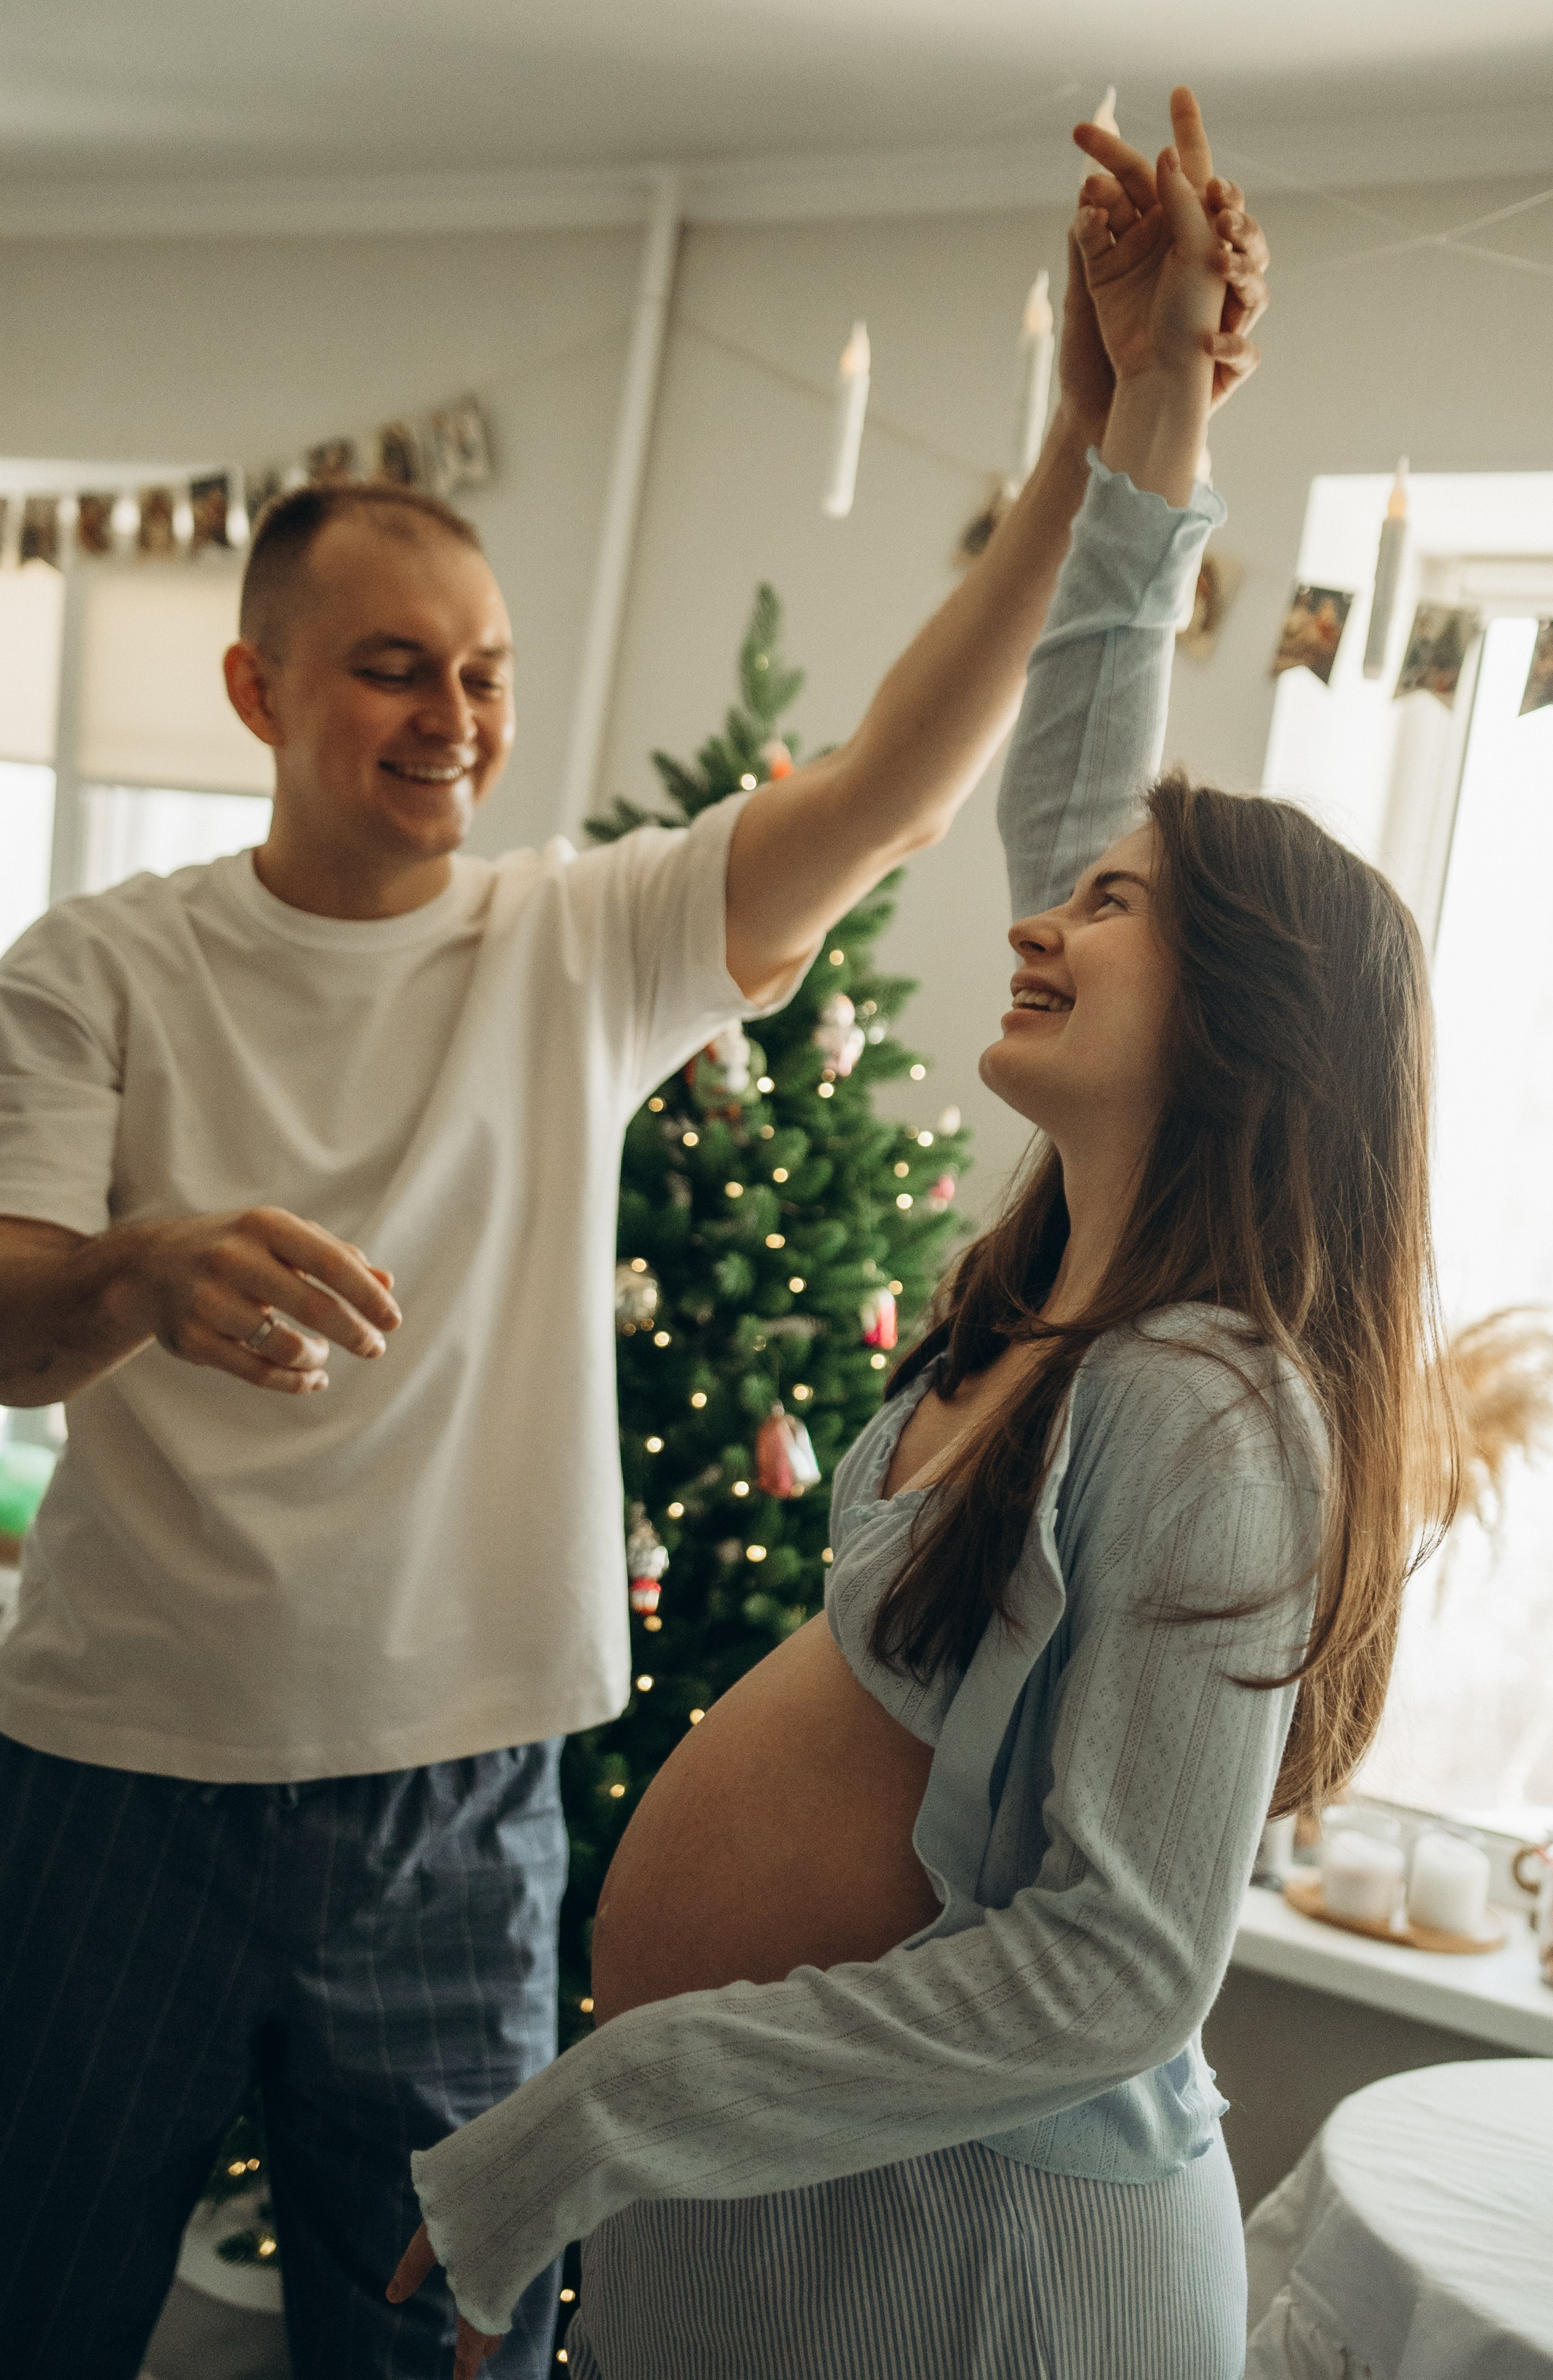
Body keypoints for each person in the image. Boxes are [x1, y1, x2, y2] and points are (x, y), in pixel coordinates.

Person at [0, 92, 1266, 2380]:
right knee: (35, 2288)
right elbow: (2, 1321)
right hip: (116, 1771)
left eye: (484, 672)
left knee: (444, 2335)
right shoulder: (94, 965)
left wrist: (1089, 428)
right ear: (259, 689)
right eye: (393, 667)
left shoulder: (581, 943)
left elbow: (897, 777)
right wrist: (130, 1273)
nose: (456, 715)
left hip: (463, 1800)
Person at [389, 100, 1445, 2380]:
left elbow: (1113, 1970)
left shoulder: (1207, 1407)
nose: (1041, 919)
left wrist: (613, 2107)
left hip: (980, 2282)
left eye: (1111, 910)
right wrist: (1148, 394)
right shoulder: (1079, 1278)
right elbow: (1087, 747)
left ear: (1244, 1032)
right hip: (819, 2226)